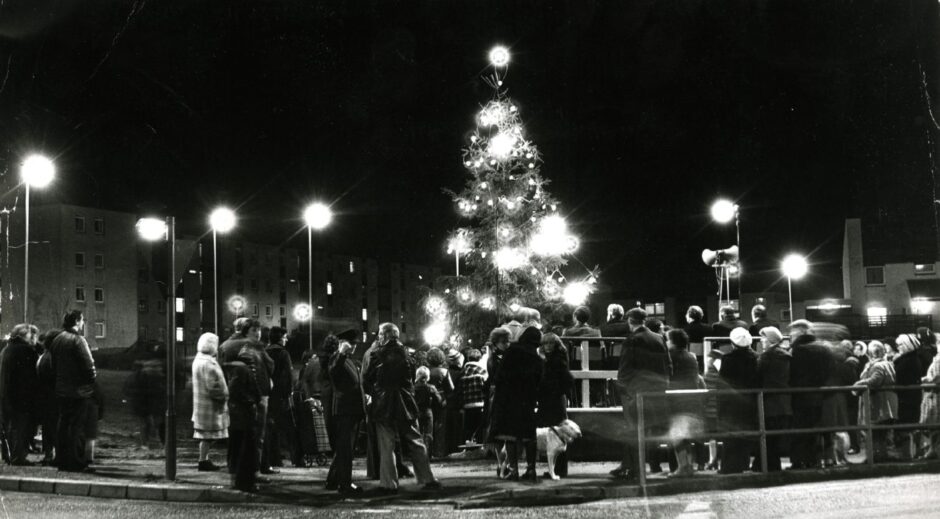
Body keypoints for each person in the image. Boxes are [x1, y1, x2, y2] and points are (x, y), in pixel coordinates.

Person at [363, 323, 441, 493]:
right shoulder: (407, 354)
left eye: (380, 335)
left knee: (386, 444)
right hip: (405, 402)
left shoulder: (376, 354)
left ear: (384, 336)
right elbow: (411, 378)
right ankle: (427, 478)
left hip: (383, 404)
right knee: (415, 440)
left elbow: (368, 378)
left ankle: (389, 483)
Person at [610, 307, 671, 481]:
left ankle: (632, 468)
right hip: (657, 391)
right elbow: (668, 365)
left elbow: (625, 368)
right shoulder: (659, 338)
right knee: (650, 429)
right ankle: (647, 465)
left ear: (630, 321)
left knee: (633, 429)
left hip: (636, 391)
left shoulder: (632, 340)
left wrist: (622, 388)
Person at [488, 326, 543, 482]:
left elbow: (499, 376)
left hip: (508, 399)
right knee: (528, 436)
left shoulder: (512, 352)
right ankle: (531, 469)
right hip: (528, 400)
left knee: (510, 436)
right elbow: (540, 380)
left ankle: (513, 470)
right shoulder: (536, 358)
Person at [50, 310, 96, 473]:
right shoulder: (78, 340)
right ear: (77, 321)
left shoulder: (57, 340)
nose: (83, 323)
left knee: (63, 425)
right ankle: (75, 461)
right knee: (76, 427)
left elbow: (53, 365)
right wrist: (90, 382)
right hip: (77, 391)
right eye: (82, 320)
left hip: (61, 390)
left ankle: (62, 460)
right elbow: (88, 365)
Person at [787, 320, 833, 470]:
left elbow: (792, 373)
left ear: (799, 332)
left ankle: (799, 461)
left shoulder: (797, 350)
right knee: (816, 429)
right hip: (821, 395)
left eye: (792, 333)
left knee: (800, 430)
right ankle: (816, 460)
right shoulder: (824, 348)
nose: (790, 336)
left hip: (800, 395)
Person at [326, 337, 367, 494]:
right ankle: (345, 484)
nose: (354, 346)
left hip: (351, 409)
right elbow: (334, 372)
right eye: (352, 344)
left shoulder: (348, 359)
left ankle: (334, 479)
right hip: (346, 410)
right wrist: (342, 353)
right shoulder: (337, 358)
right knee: (345, 449)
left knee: (345, 448)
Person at [718, 327, 758, 474]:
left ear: (733, 343)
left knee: (731, 436)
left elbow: (722, 382)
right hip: (750, 401)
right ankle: (744, 463)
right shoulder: (756, 357)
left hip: (732, 403)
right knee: (746, 434)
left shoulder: (728, 359)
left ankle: (729, 466)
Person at [0, 324, 40, 465]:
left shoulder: (6, 350)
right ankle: (18, 457)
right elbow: (32, 377)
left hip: (6, 395)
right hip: (21, 396)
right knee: (21, 427)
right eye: (30, 335)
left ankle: (9, 455)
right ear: (24, 336)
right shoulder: (26, 351)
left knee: (9, 427)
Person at [224, 345, 262, 492]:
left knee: (237, 448)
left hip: (237, 416)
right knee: (244, 450)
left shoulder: (237, 368)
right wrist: (251, 401)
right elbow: (235, 389)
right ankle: (243, 483)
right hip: (243, 417)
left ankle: (238, 481)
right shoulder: (243, 369)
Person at [665, 329, 702, 478]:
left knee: (677, 437)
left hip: (677, 401)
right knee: (685, 437)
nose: (666, 343)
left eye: (667, 340)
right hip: (692, 400)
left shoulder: (671, 357)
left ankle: (682, 467)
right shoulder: (691, 357)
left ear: (673, 342)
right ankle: (688, 466)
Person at [536, 332, 574, 478]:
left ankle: (559, 469)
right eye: (545, 343)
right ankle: (557, 469)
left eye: (550, 343)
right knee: (556, 433)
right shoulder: (557, 358)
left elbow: (565, 380)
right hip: (554, 399)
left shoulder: (555, 361)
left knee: (556, 433)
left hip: (553, 399)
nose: (547, 346)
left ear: (556, 344)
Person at [854, 341, 899, 462]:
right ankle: (880, 456)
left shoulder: (878, 365)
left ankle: (875, 458)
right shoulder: (887, 364)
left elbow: (875, 380)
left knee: (876, 433)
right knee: (881, 434)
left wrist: (859, 384)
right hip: (885, 404)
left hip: (879, 404)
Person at [191, 332, 229, 471]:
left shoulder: (198, 360)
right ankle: (203, 460)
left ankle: (204, 459)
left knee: (205, 435)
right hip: (211, 405)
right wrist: (224, 396)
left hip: (201, 404)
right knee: (208, 435)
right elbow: (214, 386)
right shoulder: (209, 364)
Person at [755, 327, 791, 471]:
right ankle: (773, 466)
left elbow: (758, 376)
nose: (761, 341)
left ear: (771, 340)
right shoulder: (786, 356)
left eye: (763, 338)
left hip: (769, 401)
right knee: (775, 437)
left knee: (767, 436)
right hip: (784, 401)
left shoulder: (766, 357)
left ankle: (765, 466)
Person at [265, 326, 301, 468]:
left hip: (269, 394)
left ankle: (273, 458)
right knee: (290, 427)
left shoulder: (265, 352)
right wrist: (289, 392)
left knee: (271, 428)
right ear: (280, 339)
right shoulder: (283, 353)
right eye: (285, 337)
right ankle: (297, 458)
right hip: (282, 395)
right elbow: (287, 375)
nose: (286, 339)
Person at [127, 344, 166, 449]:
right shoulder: (143, 376)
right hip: (145, 402)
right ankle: (150, 441)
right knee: (149, 422)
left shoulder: (139, 375)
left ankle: (148, 441)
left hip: (144, 402)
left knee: (148, 422)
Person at [893, 334, 923, 459]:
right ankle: (910, 453)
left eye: (899, 345)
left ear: (906, 345)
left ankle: (907, 454)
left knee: (906, 426)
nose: (898, 347)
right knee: (908, 426)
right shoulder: (910, 358)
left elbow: (901, 377)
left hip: (907, 398)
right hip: (909, 397)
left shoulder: (908, 360)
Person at [36, 330, 61, 465]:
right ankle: (55, 455)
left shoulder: (43, 356)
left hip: (44, 396)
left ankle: (48, 454)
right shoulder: (53, 357)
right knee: (55, 426)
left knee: (47, 426)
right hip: (53, 396)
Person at [427, 347, 454, 458]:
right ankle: (439, 452)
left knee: (428, 428)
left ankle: (428, 452)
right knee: (440, 428)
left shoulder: (425, 370)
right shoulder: (444, 371)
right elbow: (451, 388)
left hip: (428, 401)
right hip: (441, 401)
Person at [461, 349, 488, 444]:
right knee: (479, 427)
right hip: (480, 403)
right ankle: (479, 447)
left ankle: (468, 446)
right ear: (480, 358)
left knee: (469, 427)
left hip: (467, 404)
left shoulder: (463, 371)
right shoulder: (482, 371)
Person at [414, 367, 442, 456]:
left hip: (416, 411)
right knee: (428, 433)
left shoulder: (413, 388)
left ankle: (419, 453)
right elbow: (439, 400)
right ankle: (428, 453)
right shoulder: (431, 387)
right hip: (428, 411)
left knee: (418, 433)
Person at [919, 346, 940, 460]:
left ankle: (934, 450)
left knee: (934, 424)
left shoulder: (938, 359)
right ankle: (933, 449)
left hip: (935, 395)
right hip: (935, 395)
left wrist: (926, 380)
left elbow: (937, 378)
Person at [684, 305, 710, 371]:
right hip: (706, 356)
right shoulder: (708, 328)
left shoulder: (686, 329)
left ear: (689, 316)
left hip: (691, 358)